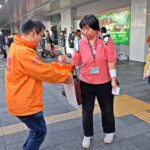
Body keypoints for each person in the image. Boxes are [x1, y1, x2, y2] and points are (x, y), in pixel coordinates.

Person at [5, 19, 72, 150]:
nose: (42, 38)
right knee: (39, 132)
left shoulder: (16, 46)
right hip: (26, 103)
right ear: (33, 33)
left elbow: (38, 68)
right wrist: (65, 76)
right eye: (41, 35)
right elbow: (43, 72)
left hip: (18, 99)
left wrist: (59, 67)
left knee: (35, 130)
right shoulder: (23, 52)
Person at [58, 15, 118, 149]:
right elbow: (76, 61)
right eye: (83, 29)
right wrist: (66, 60)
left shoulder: (106, 40)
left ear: (96, 28)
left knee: (107, 109)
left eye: (88, 29)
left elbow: (111, 60)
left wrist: (113, 80)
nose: (85, 32)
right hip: (86, 83)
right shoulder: (80, 43)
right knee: (87, 111)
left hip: (105, 82)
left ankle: (109, 132)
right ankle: (87, 135)